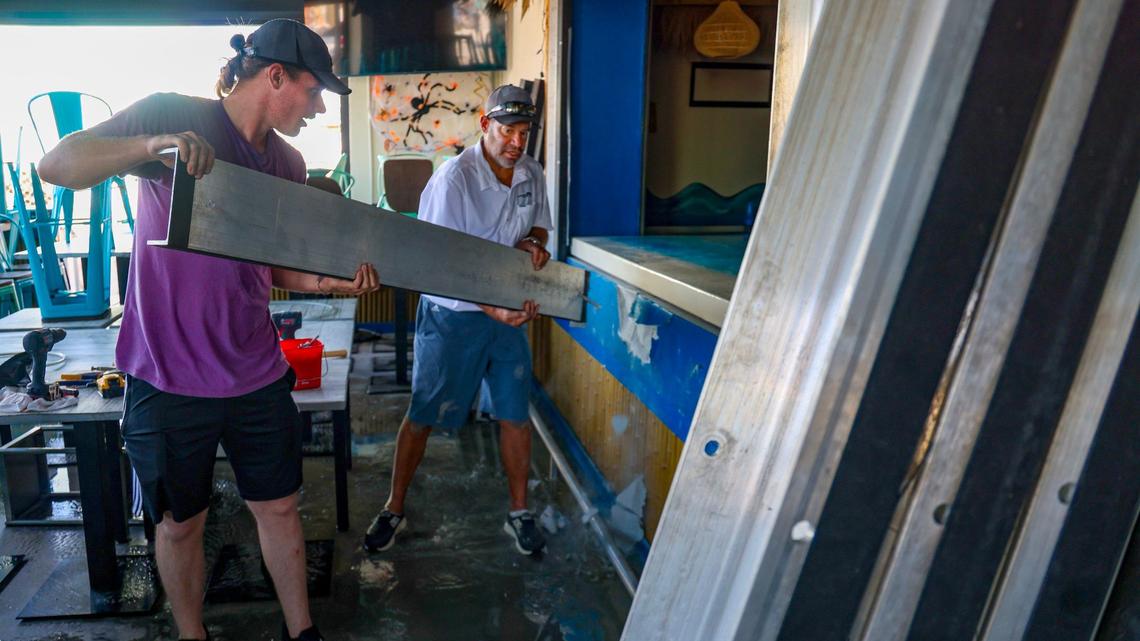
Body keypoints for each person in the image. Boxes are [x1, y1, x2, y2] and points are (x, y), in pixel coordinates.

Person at [38, 19, 379, 641]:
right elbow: (56, 165)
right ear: (275, 76)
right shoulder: (173, 114)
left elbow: (274, 266)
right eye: (313, 90)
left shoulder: (288, 162)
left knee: (277, 506)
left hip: (255, 369)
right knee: (179, 522)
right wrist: (153, 147)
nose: (318, 106)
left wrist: (332, 284)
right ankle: (192, 634)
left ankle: (301, 631)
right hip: (167, 375)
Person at [364, 84, 552, 556]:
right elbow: (440, 266)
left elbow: (539, 225)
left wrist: (532, 242)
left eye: (524, 133)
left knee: (514, 414)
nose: (516, 142)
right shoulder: (454, 181)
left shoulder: (530, 172)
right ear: (486, 126)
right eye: (507, 130)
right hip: (453, 316)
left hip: (504, 316)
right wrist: (492, 307)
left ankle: (519, 511)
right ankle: (394, 506)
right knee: (424, 413)